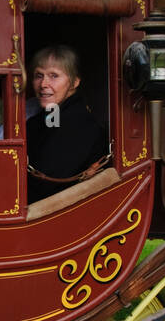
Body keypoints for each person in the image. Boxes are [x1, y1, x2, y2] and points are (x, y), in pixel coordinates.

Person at [25, 45, 108, 204]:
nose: (43, 84)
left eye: (54, 76)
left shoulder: (80, 124)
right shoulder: (53, 113)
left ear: (74, 82)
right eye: (39, 75)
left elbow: (46, 185)